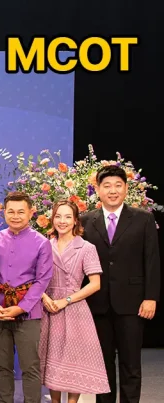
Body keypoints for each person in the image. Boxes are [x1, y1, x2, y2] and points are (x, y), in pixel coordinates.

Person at [80, 165, 160, 403]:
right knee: (102, 365)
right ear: (98, 190)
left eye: (118, 185)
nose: (112, 191)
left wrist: (151, 297)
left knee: (131, 364)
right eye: (107, 186)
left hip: (133, 303)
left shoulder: (143, 219)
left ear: (126, 188)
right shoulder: (86, 221)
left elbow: (152, 260)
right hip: (97, 303)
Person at [0, 191, 53, 403]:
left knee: (30, 367)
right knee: (2, 366)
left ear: (31, 213)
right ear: (4, 213)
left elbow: (42, 280)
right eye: (10, 211)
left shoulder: (42, 243)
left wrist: (21, 307)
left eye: (20, 212)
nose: (15, 216)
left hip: (28, 314)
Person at [39, 199, 109, 403]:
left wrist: (67, 300)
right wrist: (44, 297)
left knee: (73, 361)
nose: (62, 221)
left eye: (68, 217)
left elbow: (95, 284)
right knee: (52, 362)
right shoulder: (44, 246)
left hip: (75, 310)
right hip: (48, 309)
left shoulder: (86, 248)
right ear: (52, 219)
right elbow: (35, 279)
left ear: (76, 220)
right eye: (58, 216)